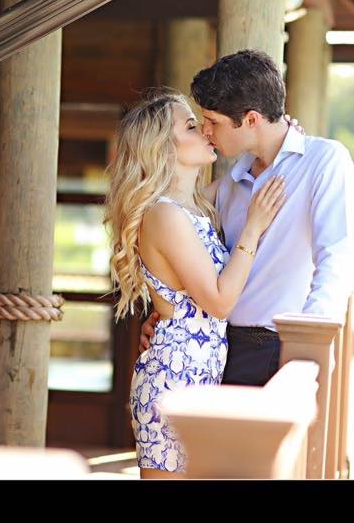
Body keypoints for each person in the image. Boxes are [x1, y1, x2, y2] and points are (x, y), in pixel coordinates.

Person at [139, 49, 354, 389]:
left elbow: (336, 261)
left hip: (281, 349)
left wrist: (307, 346)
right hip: (220, 351)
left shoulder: (324, 162)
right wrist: (166, 315)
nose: (207, 131)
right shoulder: (230, 183)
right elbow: (181, 245)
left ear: (252, 119)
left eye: (213, 121)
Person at [104, 90, 286, 478]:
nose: (205, 130)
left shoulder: (196, 208)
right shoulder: (164, 215)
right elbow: (219, 302)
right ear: (163, 148)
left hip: (199, 375)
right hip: (172, 380)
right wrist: (252, 228)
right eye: (191, 126)